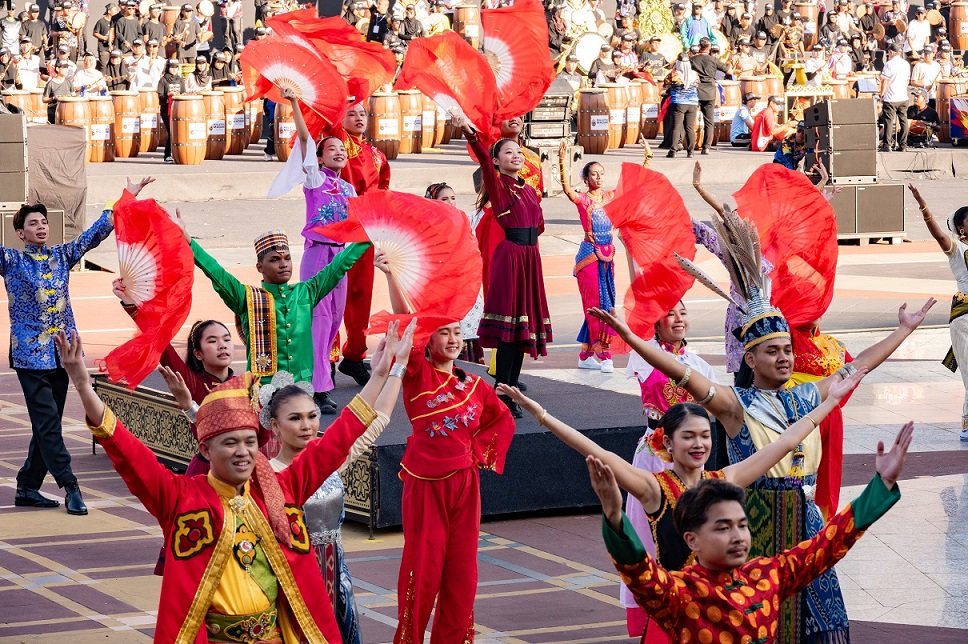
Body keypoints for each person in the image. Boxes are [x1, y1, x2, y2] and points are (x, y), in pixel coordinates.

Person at [588, 263, 934, 642]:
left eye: (787, 349)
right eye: (772, 351)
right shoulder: (736, 405)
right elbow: (682, 375)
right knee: (754, 620)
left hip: (806, 517)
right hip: (759, 520)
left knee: (823, 614)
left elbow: (860, 366)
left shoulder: (808, 395)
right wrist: (634, 340)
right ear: (750, 360)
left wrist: (905, 329)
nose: (784, 357)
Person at [59, 314, 413, 642]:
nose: (243, 451)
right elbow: (127, 453)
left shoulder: (281, 488)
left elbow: (341, 438)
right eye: (230, 443)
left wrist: (381, 372)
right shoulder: (180, 497)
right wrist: (83, 386)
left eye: (249, 441)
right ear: (205, 450)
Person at [502, 365, 865, 642]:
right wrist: (543, 417)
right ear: (667, 443)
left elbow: (783, 444)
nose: (699, 444)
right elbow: (598, 453)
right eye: (688, 436)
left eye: (705, 436)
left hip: (726, 610)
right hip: (680, 612)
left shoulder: (724, 481)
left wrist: (831, 402)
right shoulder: (654, 489)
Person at [592, 421, 912, 644]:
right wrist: (613, 515)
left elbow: (829, 544)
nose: (737, 536)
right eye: (723, 527)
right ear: (692, 539)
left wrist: (880, 484)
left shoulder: (767, 576)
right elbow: (637, 569)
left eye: (742, 525)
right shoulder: (678, 593)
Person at [374, 251, 516, 644]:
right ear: (430, 340)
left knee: (462, 573)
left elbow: (501, 419)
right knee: (424, 567)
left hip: (465, 486)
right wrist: (391, 276)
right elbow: (408, 326)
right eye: (444, 333)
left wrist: (478, 455)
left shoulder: (473, 386)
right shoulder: (417, 373)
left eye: (457, 332)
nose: (452, 340)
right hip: (424, 483)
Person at [6, 177, 154, 516]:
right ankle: (71, 485)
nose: (41, 227)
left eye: (44, 222)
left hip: (64, 355)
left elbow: (95, 233)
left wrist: (127, 195)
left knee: (49, 425)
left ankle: (28, 487)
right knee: (47, 425)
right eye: (33, 223)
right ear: (21, 233)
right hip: (30, 356)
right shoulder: (12, 262)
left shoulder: (62, 255)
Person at [175, 215, 369, 393]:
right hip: (263, 392)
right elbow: (217, 274)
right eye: (275, 260)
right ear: (260, 267)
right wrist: (190, 243)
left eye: (287, 258)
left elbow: (340, 264)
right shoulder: (247, 298)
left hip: (301, 390)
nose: (283, 264)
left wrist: (368, 233)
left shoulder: (306, 293)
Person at [268, 87, 358, 414]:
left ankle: (314, 381)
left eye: (341, 149)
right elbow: (306, 141)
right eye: (331, 148)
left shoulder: (348, 188)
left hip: (341, 259)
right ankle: (317, 390)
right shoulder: (315, 179)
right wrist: (294, 101)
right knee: (318, 320)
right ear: (319, 159)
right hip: (318, 255)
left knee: (334, 320)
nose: (338, 152)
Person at [461, 114, 552, 417]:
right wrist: (474, 138)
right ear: (497, 161)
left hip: (528, 259)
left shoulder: (527, 190)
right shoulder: (499, 186)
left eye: (518, 151)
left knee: (522, 332)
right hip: (510, 258)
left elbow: (538, 225)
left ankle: (510, 391)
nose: (515, 155)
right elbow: (484, 163)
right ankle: (503, 394)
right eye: (507, 152)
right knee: (507, 332)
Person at [266, 376, 368, 644]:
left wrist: (392, 370)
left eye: (312, 415)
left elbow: (374, 418)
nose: (307, 425)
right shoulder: (268, 476)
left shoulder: (328, 461)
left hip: (337, 580)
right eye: (295, 418)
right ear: (275, 426)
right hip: (296, 582)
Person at [558, 138, 636, 372]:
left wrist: (646, 159)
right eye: (594, 174)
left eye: (601, 173)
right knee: (596, 306)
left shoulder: (611, 197)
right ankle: (604, 354)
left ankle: (585, 355)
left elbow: (634, 186)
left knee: (606, 303)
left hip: (608, 257)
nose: (599, 177)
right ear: (586, 178)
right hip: (589, 257)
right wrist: (563, 164)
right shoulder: (583, 200)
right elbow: (566, 189)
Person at [329, 100, 391, 388]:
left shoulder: (377, 155)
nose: (358, 118)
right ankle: (326, 359)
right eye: (350, 113)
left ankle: (354, 356)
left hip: (365, 234)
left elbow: (383, 191)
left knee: (360, 297)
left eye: (362, 113)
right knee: (331, 298)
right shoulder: (337, 146)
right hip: (336, 231)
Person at [908, 186, 968, 441]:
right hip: (966, 318)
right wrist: (923, 205)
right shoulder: (956, 248)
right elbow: (937, 234)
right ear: (961, 229)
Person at [425, 182, 485, 364]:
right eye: (444, 199)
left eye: (453, 198)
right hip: (440, 284)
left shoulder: (463, 220)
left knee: (467, 323)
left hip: (463, 281)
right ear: (432, 201)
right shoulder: (427, 226)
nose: (450, 202)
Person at [690, 37, 731, 155]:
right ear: (708, 47)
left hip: (696, 90)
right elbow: (729, 71)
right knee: (709, 121)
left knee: (690, 120)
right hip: (709, 91)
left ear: (699, 47)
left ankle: (690, 147)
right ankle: (706, 147)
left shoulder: (693, 59)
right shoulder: (713, 60)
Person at [666, 54, 699, 158]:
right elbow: (698, 84)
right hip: (692, 103)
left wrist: (674, 68)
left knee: (676, 127)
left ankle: (673, 150)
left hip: (679, 102)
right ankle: (690, 152)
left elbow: (666, 82)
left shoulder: (674, 74)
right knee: (690, 127)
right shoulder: (695, 74)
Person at [879, 44, 910, 152]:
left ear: (891, 52)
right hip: (903, 97)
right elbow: (907, 81)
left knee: (889, 121)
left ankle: (887, 145)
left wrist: (881, 95)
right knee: (903, 121)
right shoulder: (906, 64)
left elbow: (884, 81)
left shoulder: (889, 64)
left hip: (891, 97)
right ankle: (903, 145)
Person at [157, 58, 183, 163]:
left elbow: (183, 93)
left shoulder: (180, 80)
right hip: (166, 109)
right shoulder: (163, 80)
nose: (174, 69)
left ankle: (179, 153)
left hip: (178, 108)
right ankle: (167, 154)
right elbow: (160, 96)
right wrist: (168, 95)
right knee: (171, 131)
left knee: (178, 132)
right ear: (168, 68)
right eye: (172, 67)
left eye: (176, 67)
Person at [91, 4, 114, 69]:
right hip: (103, 48)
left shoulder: (116, 21)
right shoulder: (101, 21)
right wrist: (105, 38)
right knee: (104, 66)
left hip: (113, 47)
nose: (116, 11)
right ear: (109, 11)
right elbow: (95, 33)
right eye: (114, 10)